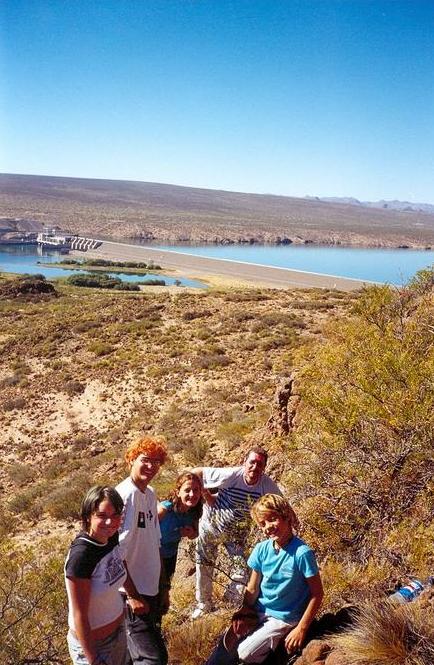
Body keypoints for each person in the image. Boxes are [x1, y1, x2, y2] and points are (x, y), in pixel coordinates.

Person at [205, 494, 324, 665]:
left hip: (284, 617)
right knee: (227, 644)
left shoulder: (301, 553)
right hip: (259, 611)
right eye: (262, 524)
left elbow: (317, 593)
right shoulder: (261, 549)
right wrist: (244, 611)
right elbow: (252, 588)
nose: (268, 527)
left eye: (272, 519)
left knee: (245, 653)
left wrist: (301, 628)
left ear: (286, 516)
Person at [191, 446, 282, 618]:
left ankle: (229, 603)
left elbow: (281, 503)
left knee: (241, 573)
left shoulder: (266, 485)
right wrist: (190, 492)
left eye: (259, 464)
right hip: (211, 525)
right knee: (204, 565)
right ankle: (204, 605)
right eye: (252, 462)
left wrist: (293, 520)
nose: (255, 467)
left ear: (264, 468)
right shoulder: (232, 475)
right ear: (245, 462)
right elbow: (198, 472)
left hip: (237, 536)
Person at [116, 436, 169, 665]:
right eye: (145, 460)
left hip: (150, 590)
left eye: (156, 462)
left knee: (134, 657)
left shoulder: (149, 494)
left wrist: (164, 587)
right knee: (152, 658)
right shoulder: (124, 496)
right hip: (131, 593)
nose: (151, 466)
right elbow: (115, 551)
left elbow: (155, 543)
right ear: (131, 460)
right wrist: (132, 595)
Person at [64, 485, 127, 665]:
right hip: (94, 648)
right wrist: (93, 659)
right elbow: (79, 615)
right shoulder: (82, 556)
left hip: (119, 634)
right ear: (88, 517)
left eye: (115, 515)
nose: (110, 522)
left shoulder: (110, 537)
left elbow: (120, 566)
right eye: (101, 516)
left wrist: (134, 596)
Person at [158, 471, 203, 583]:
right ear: (178, 492)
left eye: (196, 490)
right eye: (187, 490)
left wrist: (190, 533)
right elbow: (145, 530)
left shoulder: (194, 512)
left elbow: (195, 534)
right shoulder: (165, 509)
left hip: (170, 556)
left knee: (165, 588)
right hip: (153, 556)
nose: (192, 494)